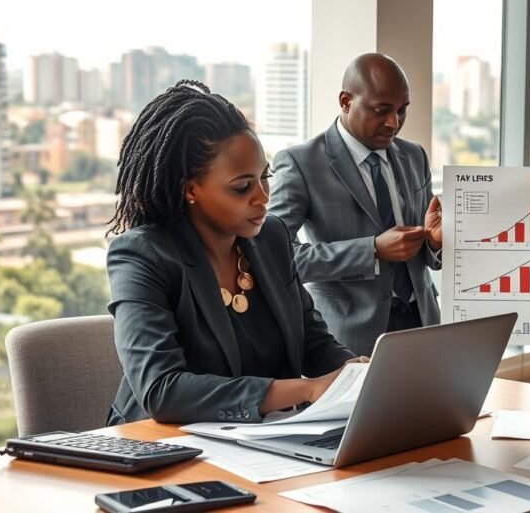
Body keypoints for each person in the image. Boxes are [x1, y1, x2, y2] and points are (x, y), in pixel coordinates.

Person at [105, 80, 365, 425]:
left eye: (265, 178)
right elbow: (162, 391)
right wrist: (307, 390)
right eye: (242, 187)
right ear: (191, 189)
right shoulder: (142, 256)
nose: (262, 197)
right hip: (164, 446)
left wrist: (357, 374)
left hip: (265, 440)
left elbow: (312, 342)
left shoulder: (270, 237)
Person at [269, 53, 442, 357]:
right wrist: (372, 250)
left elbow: (425, 247)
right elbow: (275, 258)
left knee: (427, 407)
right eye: (382, 110)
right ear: (346, 101)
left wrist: (436, 242)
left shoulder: (415, 156)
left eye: (402, 110)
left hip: (422, 324)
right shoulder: (300, 163)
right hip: (348, 337)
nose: (394, 122)